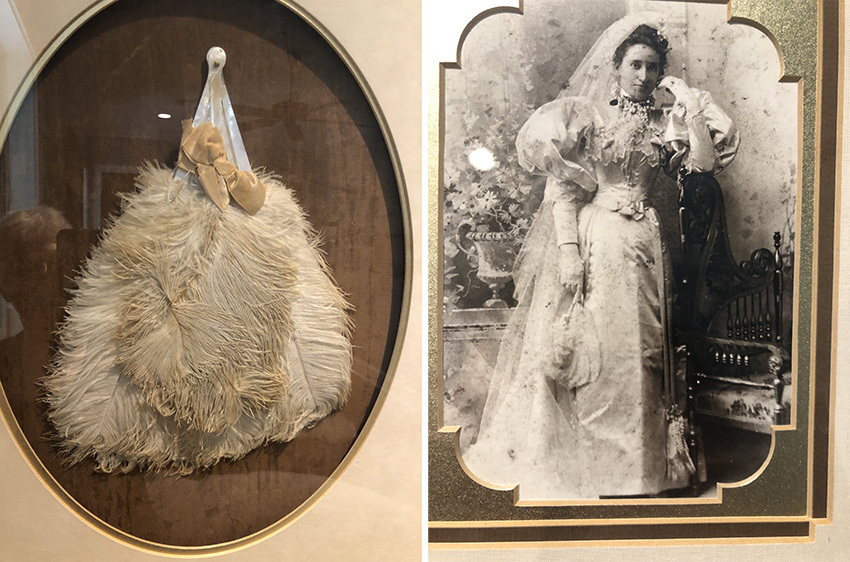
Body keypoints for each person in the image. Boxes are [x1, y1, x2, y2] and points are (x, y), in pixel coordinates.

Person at [462, 13, 739, 499]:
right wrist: (569, 254)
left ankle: (643, 473)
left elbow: (704, 164)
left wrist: (689, 103)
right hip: (599, 242)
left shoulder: (666, 120)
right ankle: (598, 468)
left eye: (653, 67)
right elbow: (563, 193)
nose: (644, 76)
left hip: (646, 248)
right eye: (635, 65)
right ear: (616, 67)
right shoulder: (588, 118)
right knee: (600, 352)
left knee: (645, 353)